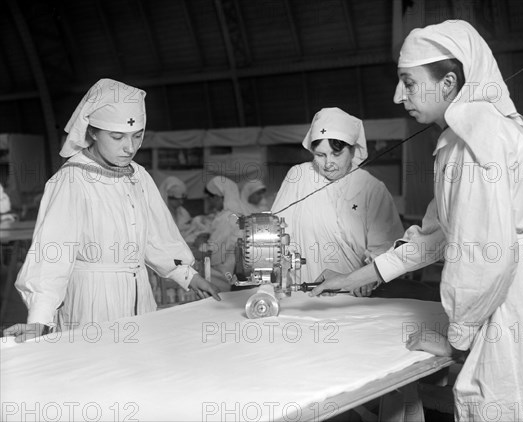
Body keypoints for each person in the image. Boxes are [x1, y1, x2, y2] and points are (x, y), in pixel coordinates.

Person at [311, 20, 523, 421]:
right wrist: (353, 278)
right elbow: (435, 236)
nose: (398, 95)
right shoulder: (463, 137)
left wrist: (456, 342)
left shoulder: (475, 143)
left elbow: (481, 255)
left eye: (408, 83)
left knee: (515, 403)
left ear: (448, 83)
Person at [3, 78, 220, 343]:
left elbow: (156, 235)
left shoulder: (138, 175)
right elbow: (52, 255)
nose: (130, 147)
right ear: (93, 132)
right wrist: (39, 320)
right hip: (92, 300)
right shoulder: (72, 181)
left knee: (141, 366)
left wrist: (188, 275)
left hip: (140, 294)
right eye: (117, 137)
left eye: (137, 136)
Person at [270, 107, 404, 297]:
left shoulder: (371, 188)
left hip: (348, 294)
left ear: (352, 149)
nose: (328, 164)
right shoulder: (299, 176)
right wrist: (280, 268)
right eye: (320, 155)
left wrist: (366, 277)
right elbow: (274, 230)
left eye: (336, 154)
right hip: (300, 291)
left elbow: (387, 247)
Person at [204, 176, 249, 284]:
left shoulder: (227, 218)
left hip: (224, 273)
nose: (210, 202)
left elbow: (213, 250)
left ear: (220, 197)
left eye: (211, 197)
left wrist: (201, 245)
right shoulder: (239, 213)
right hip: (234, 268)